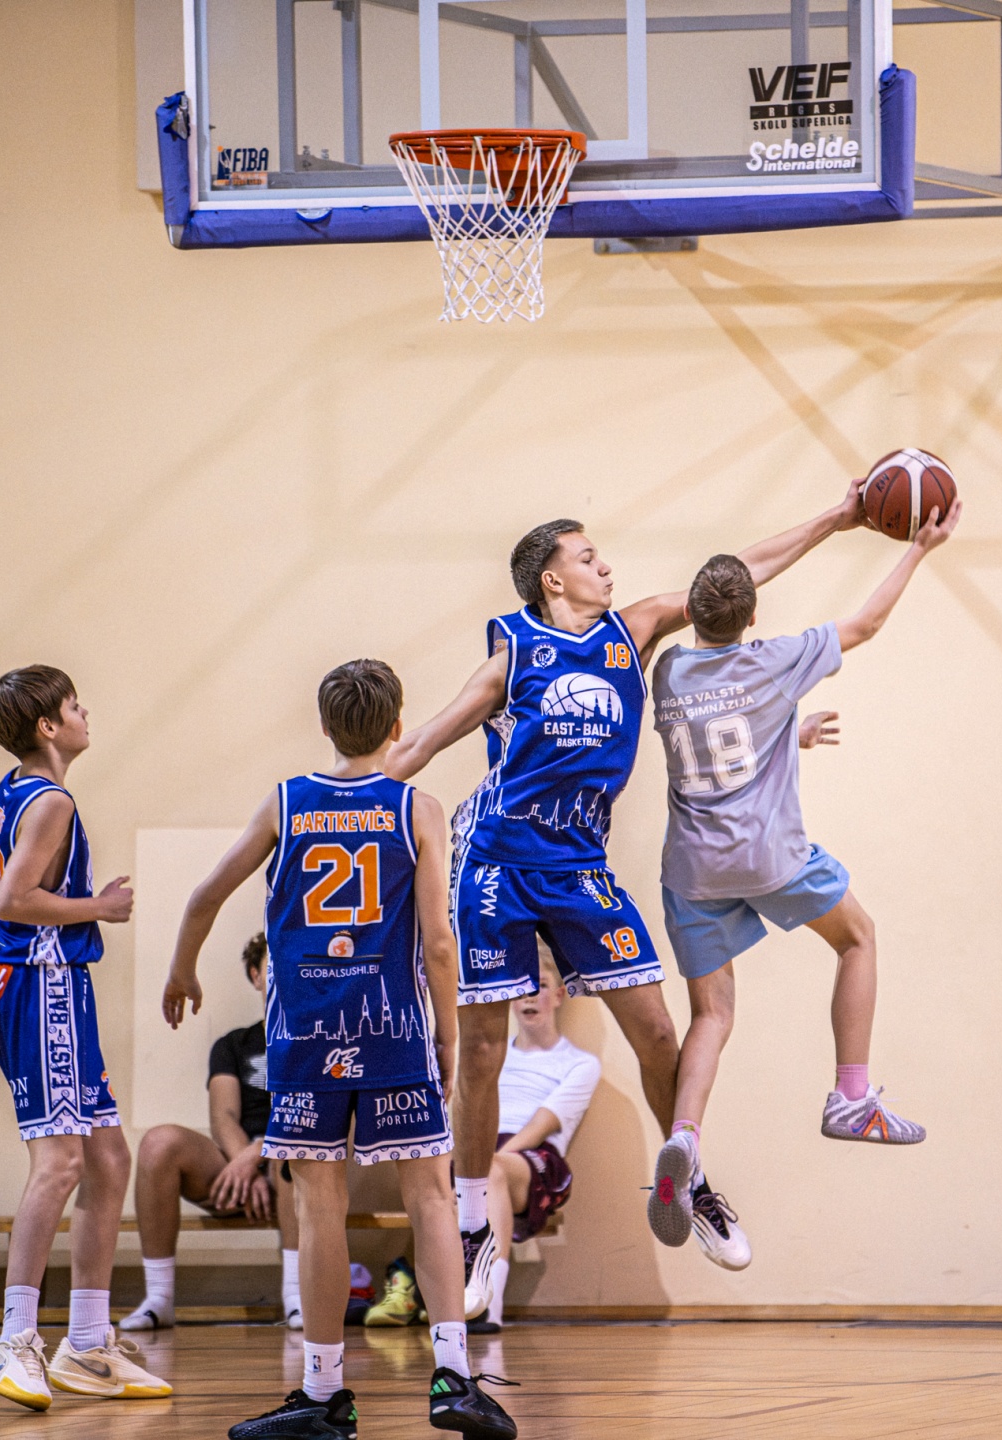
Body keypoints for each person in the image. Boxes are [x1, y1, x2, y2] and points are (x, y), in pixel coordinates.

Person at [382, 488, 866, 1303]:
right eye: (587, 557)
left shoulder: (631, 630)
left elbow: (732, 576)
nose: (606, 566)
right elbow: (426, 739)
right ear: (551, 580)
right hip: (497, 860)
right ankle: (472, 1227)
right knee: (484, 1051)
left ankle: (688, 1179)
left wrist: (837, 518)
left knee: (658, 1032)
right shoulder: (513, 655)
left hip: (579, 864)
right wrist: (345, 810)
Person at [162, 659, 515, 1440]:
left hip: (306, 1033)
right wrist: (448, 1033)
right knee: (431, 1197)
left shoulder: (286, 802)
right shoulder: (417, 807)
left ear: (324, 726)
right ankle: (454, 1379)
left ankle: (324, 1395)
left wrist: (183, 969)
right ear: (398, 726)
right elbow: (439, 940)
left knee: (318, 1206)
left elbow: (205, 895)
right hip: (393, 1030)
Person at [642, 501, 960, 1254]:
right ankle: (852, 1094)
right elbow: (866, 624)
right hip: (769, 856)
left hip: (692, 869)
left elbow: (723, 731)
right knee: (858, 938)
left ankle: (685, 1138)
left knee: (711, 1016)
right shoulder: (774, 661)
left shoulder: (669, 670)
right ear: (752, 618)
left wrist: (792, 733)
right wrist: (919, 548)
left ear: (693, 613)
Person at [0, 665, 171, 1411]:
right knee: (61, 1162)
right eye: (72, 704)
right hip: (42, 988)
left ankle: (88, 1343)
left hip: (40, 987)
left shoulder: (10, 791)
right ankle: (13, 1339)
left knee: (108, 1157)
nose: (83, 711)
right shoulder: (51, 801)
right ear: (48, 727)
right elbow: (13, 899)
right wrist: (99, 905)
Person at [124, 932, 302, 1333]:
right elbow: (223, 1116)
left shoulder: (319, 1038)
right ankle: (159, 1299)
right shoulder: (234, 1044)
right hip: (235, 1173)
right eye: (272, 965)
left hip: (296, 1169)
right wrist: (246, 1164)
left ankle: (297, 1296)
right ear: (256, 975)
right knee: (158, 1143)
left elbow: (318, 1117)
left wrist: (260, 1153)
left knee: (292, 1156)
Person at [468, 956, 601, 1330]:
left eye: (539, 986)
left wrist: (482, 1166)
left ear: (558, 996)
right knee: (443, 1175)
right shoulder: (492, 1057)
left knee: (487, 1171)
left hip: (535, 1158)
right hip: (484, 1148)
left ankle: (489, 1306)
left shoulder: (580, 1063)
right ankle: (432, 1296)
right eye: (522, 988)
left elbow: (542, 1125)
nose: (529, 996)